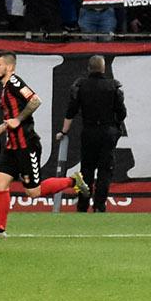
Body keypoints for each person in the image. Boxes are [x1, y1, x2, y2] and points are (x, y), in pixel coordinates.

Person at [0, 51, 84, 237]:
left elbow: (35, 100)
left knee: (33, 192)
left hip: (27, 146)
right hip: (12, 146)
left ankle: (73, 181)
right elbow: (13, 115)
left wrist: (18, 120)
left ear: (9, 67)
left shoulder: (15, 83)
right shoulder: (5, 88)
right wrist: (3, 127)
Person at [63, 54, 127, 213]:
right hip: (108, 132)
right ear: (103, 68)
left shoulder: (80, 86)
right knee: (106, 170)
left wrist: (63, 131)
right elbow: (122, 113)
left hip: (89, 132)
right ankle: (100, 205)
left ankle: (82, 205)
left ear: (89, 68)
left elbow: (71, 111)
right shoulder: (113, 87)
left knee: (86, 171)